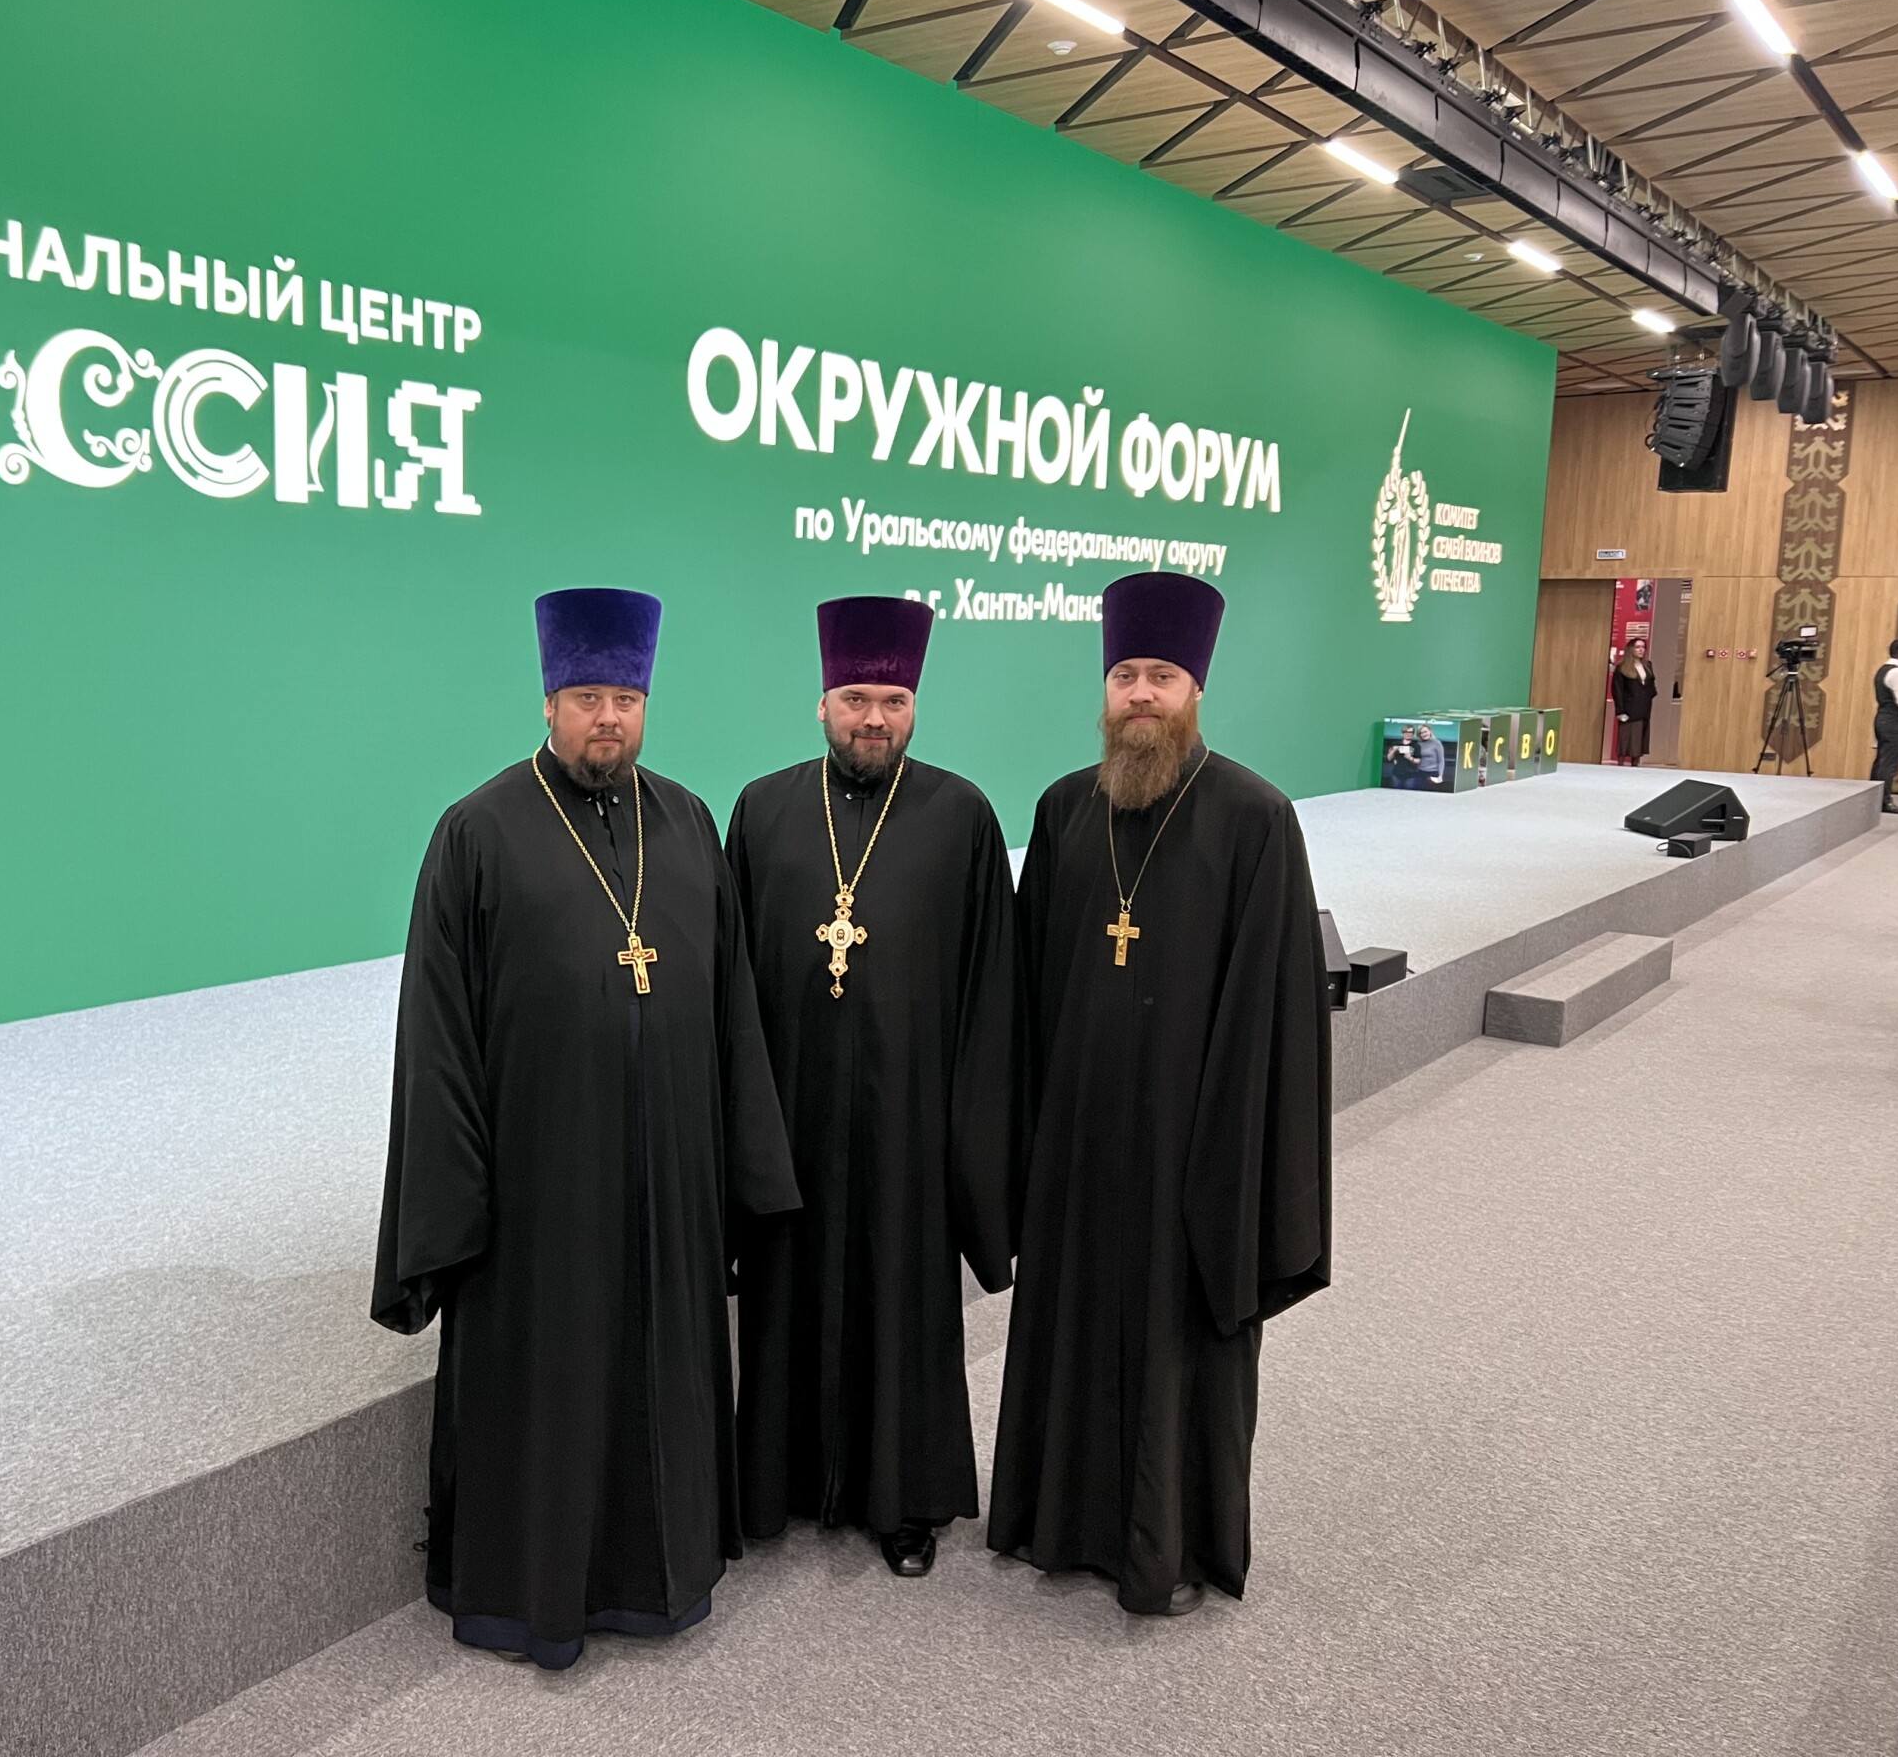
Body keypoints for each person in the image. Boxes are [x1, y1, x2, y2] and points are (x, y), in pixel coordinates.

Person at [372, 586, 800, 1670]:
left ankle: (662, 1575)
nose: (608, 718)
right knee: (550, 1381)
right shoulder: (477, 832)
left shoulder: (689, 824)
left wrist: (748, 1179)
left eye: (626, 699)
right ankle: (537, 1596)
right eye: (586, 698)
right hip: (541, 1187)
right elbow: (437, 1037)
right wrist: (450, 1214)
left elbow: (735, 1014)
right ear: (549, 701)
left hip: (671, 1179)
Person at [988, 570, 1332, 1617]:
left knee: (1178, 1347)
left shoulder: (1255, 818)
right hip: (1079, 1143)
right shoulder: (1064, 810)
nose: (1141, 693)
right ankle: (1058, 1525)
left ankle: (1165, 1549)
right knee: (1073, 1324)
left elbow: (1275, 1015)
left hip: (1194, 1146)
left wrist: (1231, 1161)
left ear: (1196, 691)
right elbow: (1027, 994)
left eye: (1162, 676)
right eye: (1125, 675)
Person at [725, 596, 1018, 1579]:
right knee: (789, 1289)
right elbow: (729, 983)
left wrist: (971, 1144)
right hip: (793, 1112)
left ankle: (905, 1502)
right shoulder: (763, 811)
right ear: (822, 704)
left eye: (893, 701)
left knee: (902, 1302)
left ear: (914, 707)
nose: (875, 719)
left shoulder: (962, 816)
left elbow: (992, 994)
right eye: (856, 698)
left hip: (909, 1125)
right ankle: (780, 1481)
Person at [1612, 636, 1656, 766]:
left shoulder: (1648, 665)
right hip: (1629, 708)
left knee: (1639, 739)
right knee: (1627, 737)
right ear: (1631, 649)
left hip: (1644, 707)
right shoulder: (1622, 667)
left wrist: (1650, 695)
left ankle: (1635, 763)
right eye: (1637, 647)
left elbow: (1651, 685)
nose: (1641, 650)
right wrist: (1620, 711)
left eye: (1643, 647)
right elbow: (1617, 690)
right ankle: (1621, 763)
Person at [1873, 637, 1898, 814]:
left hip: (1884, 718)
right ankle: (1884, 801)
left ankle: (1873, 799)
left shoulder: (1883, 669)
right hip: (1894, 722)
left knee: (1881, 760)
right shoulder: (1897, 673)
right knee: (1889, 762)